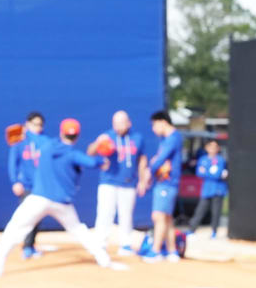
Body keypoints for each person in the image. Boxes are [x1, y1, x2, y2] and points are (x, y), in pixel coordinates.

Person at [0, 118, 119, 277]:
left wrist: (26, 131)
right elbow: (92, 162)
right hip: (62, 203)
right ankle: (104, 260)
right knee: (79, 231)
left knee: (14, 229)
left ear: (61, 132)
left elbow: (32, 137)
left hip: (39, 199)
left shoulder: (47, 145)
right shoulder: (73, 154)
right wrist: (103, 158)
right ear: (77, 136)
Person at [89, 110, 147, 256]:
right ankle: (100, 243)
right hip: (108, 182)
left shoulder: (137, 138)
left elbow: (142, 159)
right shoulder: (107, 136)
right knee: (105, 213)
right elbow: (90, 152)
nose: (118, 127)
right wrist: (98, 143)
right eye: (115, 123)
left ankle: (125, 244)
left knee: (126, 215)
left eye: (121, 123)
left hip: (128, 182)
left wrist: (142, 180)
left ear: (129, 123)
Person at [138, 111, 183, 263]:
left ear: (163, 122)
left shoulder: (172, 138)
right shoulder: (167, 140)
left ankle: (156, 251)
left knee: (158, 216)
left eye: (154, 125)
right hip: (165, 182)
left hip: (167, 183)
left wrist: (147, 174)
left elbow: (160, 160)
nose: (153, 129)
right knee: (167, 218)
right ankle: (172, 251)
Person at [8, 111, 45, 258]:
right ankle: (26, 247)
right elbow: (13, 163)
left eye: (40, 124)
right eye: (35, 124)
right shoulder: (19, 141)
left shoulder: (43, 141)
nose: (38, 127)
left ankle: (30, 245)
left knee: (38, 218)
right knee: (26, 218)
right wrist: (15, 181)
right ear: (27, 124)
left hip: (41, 187)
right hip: (26, 186)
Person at [187, 138, 228, 238]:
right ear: (207, 148)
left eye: (215, 147)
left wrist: (208, 172)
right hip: (207, 189)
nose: (213, 149)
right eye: (211, 147)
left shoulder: (220, 160)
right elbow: (199, 173)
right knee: (200, 210)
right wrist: (211, 173)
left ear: (218, 148)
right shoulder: (203, 159)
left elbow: (218, 174)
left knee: (216, 211)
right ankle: (192, 229)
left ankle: (214, 231)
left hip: (218, 189)